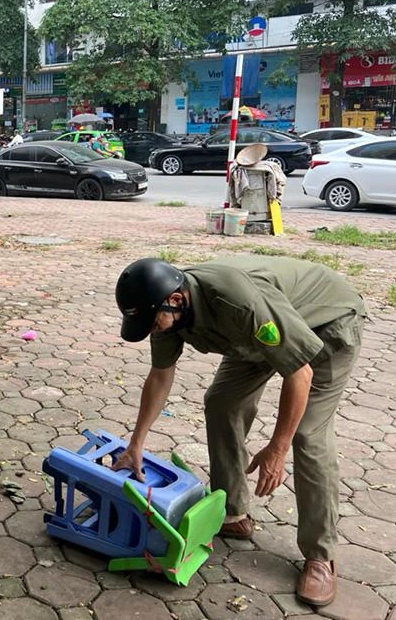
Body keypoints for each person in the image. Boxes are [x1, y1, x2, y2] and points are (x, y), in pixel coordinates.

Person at [113, 256, 366, 607]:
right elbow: (160, 376)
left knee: (307, 434)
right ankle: (232, 512)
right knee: (222, 402)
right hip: (264, 331)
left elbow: (300, 373)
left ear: (176, 299)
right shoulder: (167, 313)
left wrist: (277, 448)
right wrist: (136, 443)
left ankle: (321, 556)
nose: (153, 330)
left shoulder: (236, 303)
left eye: (153, 323)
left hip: (327, 322)